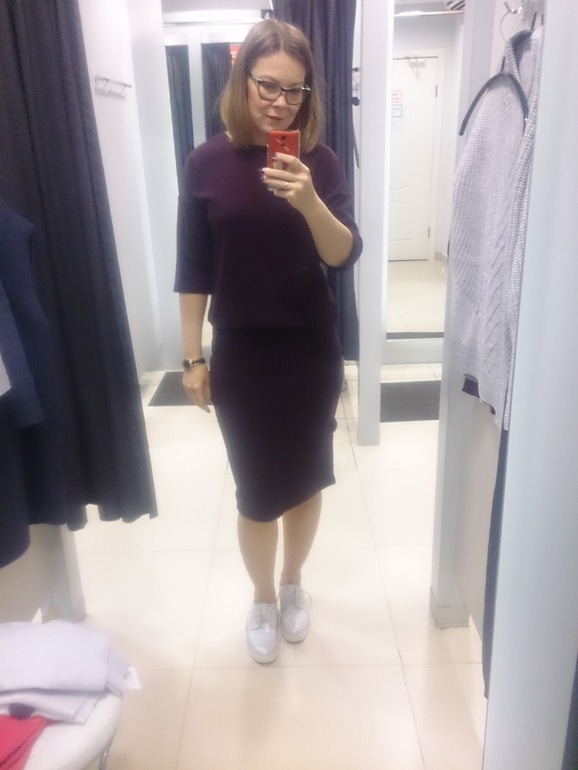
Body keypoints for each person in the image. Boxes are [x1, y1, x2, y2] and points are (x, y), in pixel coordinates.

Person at [174, 18, 362, 664]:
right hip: (242, 357)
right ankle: (260, 597)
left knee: (306, 482)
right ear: (243, 80)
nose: (282, 102)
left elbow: (343, 255)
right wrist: (192, 357)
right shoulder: (206, 163)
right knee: (255, 493)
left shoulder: (321, 163)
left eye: (295, 90)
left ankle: (292, 583)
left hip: (309, 353)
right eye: (269, 86)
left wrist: (309, 201)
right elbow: (193, 268)